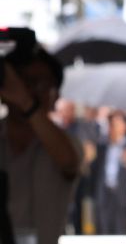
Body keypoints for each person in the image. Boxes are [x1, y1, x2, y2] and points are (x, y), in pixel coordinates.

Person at [0, 49, 82, 244]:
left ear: (56, 96)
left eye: (41, 84)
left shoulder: (65, 144)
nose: (28, 91)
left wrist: (27, 104)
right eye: (22, 82)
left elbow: (69, 162)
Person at [93, 111, 126, 235]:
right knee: (103, 231)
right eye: (111, 124)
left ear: (124, 126)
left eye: (116, 124)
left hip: (121, 197)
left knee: (120, 232)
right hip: (104, 195)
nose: (112, 128)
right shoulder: (102, 146)